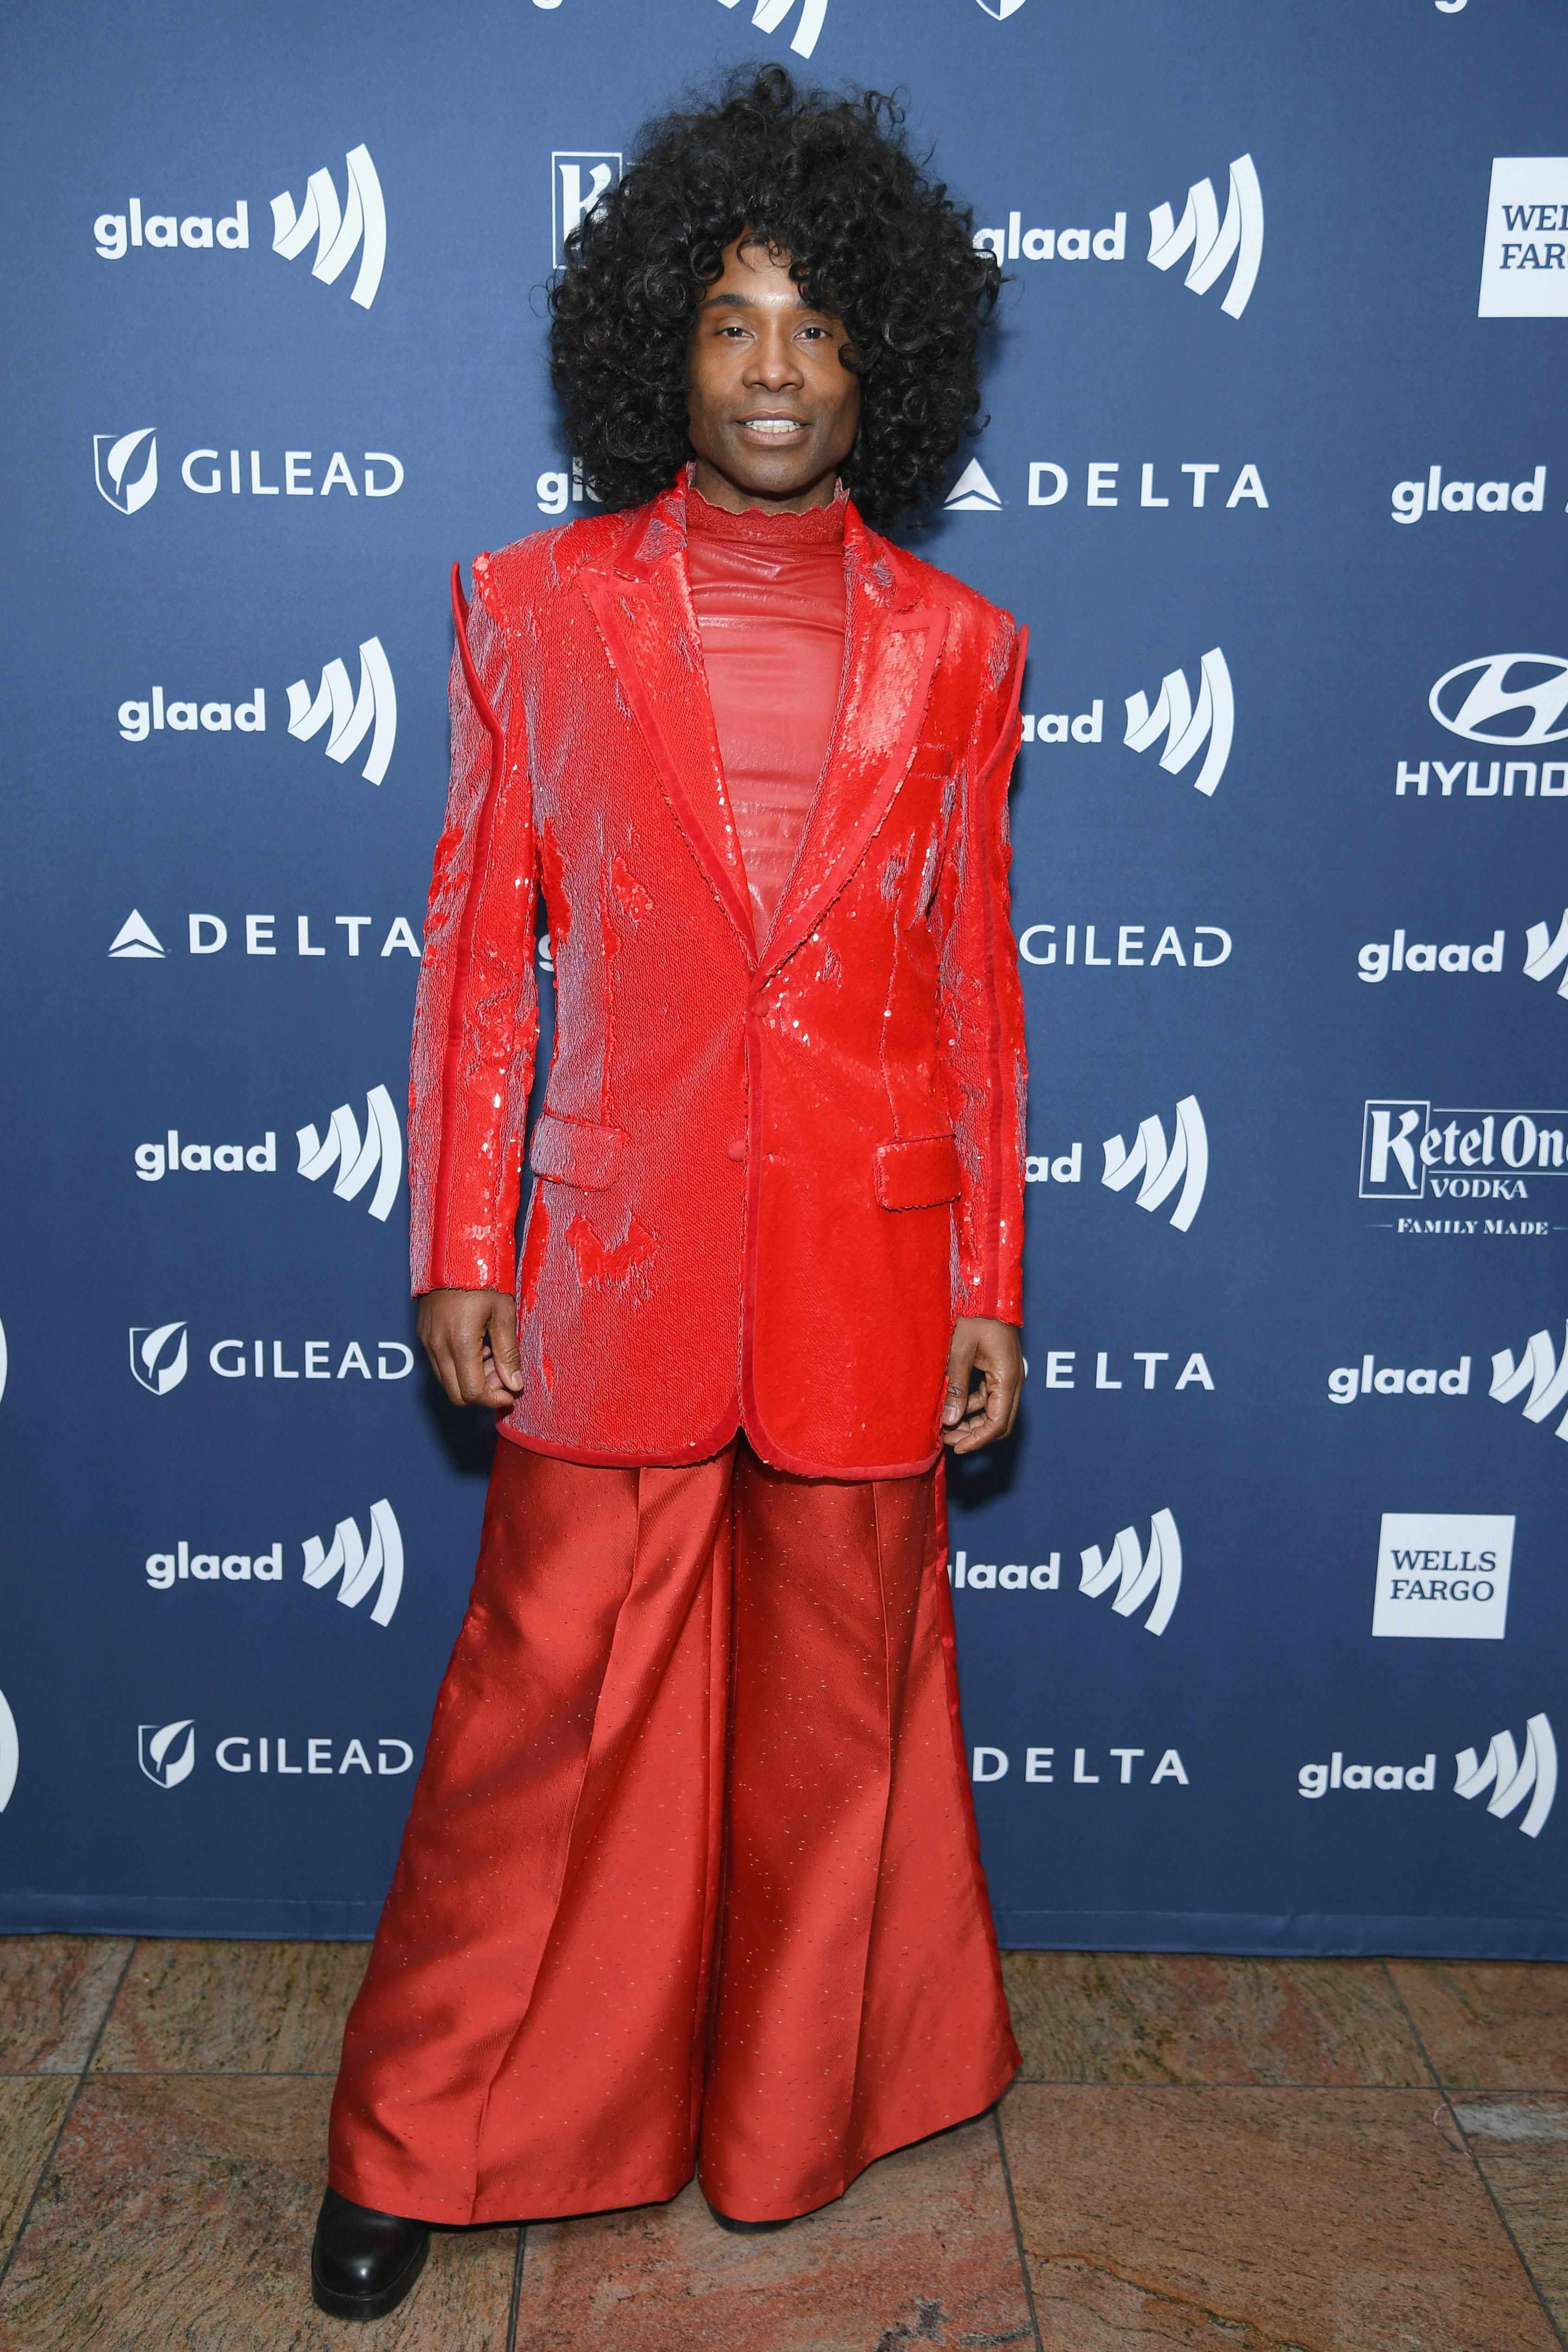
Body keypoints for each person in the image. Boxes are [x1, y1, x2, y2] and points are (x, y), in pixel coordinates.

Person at [311, 63, 1028, 2322]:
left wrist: (991, 1271)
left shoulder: (963, 651)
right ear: (662, 343)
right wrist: (458, 1241)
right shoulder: (528, 613)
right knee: (531, 1723)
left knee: (837, 1730)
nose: (779, 370)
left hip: (866, 1258)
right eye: (734, 322)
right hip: (609, 1262)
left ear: (882, 355)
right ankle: (409, 2140)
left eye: (820, 326)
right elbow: (476, 955)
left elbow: (979, 996)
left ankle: (781, 2118)